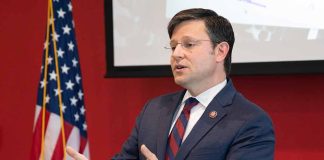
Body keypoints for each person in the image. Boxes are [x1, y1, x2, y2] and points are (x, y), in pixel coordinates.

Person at [67, 8, 275, 160]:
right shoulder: (155, 109)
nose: (176, 54)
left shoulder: (251, 122)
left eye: (188, 45)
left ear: (220, 51)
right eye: (173, 46)